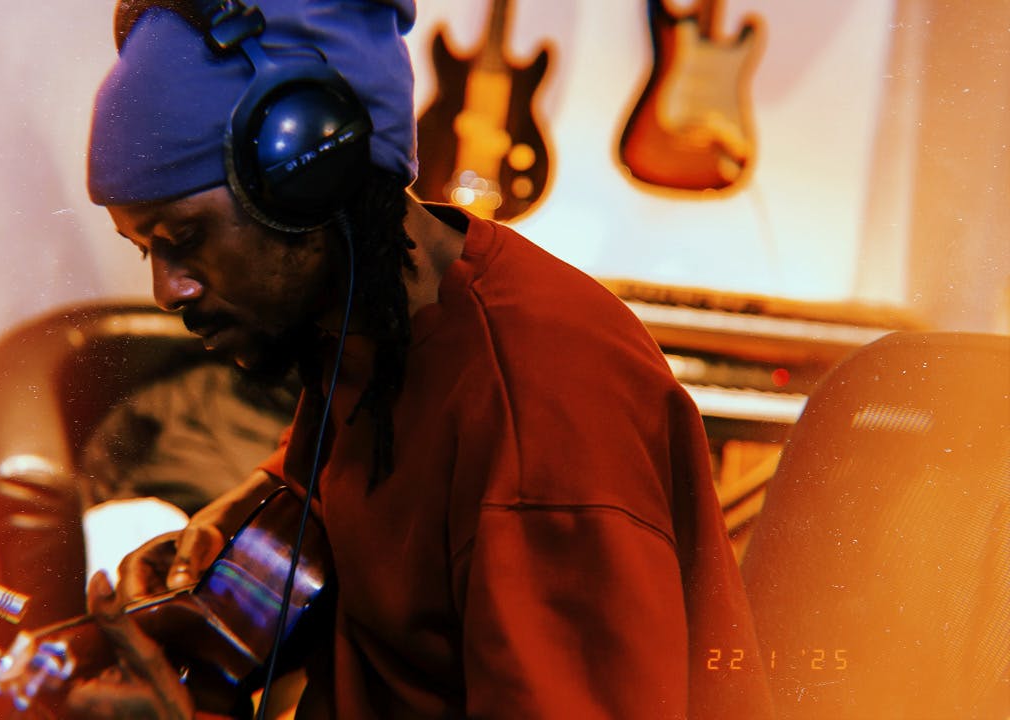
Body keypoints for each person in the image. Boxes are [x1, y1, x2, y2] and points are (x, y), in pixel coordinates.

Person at [67, 0, 775, 717]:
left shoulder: (538, 421)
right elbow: (372, 477)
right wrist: (254, 501)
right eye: (146, 249)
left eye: (184, 238)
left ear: (312, 172)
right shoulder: (370, 321)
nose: (167, 291)